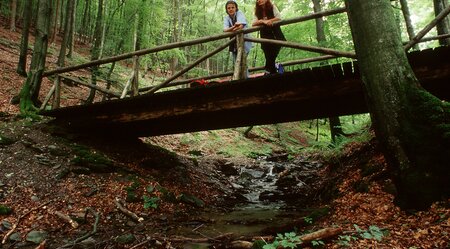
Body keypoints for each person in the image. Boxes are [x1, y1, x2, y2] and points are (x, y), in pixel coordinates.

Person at [252, 0, 286, 75]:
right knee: (268, 55)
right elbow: (253, 23)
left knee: (272, 55)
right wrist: (263, 21)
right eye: (258, 0)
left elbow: (279, 18)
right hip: (265, 36)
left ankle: (268, 71)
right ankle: (272, 72)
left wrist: (269, 21)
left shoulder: (272, 7)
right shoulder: (257, 11)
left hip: (276, 35)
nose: (260, 1)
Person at [223, 0, 252, 78]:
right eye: (229, 8)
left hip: (244, 42)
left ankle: (246, 79)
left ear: (236, 8)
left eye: (233, 7)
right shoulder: (226, 18)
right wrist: (234, 27)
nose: (231, 9)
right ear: (226, 10)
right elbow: (225, 30)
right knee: (237, 62)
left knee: (242, 61)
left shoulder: (240, 14)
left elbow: (241, 26)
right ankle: (241, 79)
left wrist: (232, 29)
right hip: (234, 44)